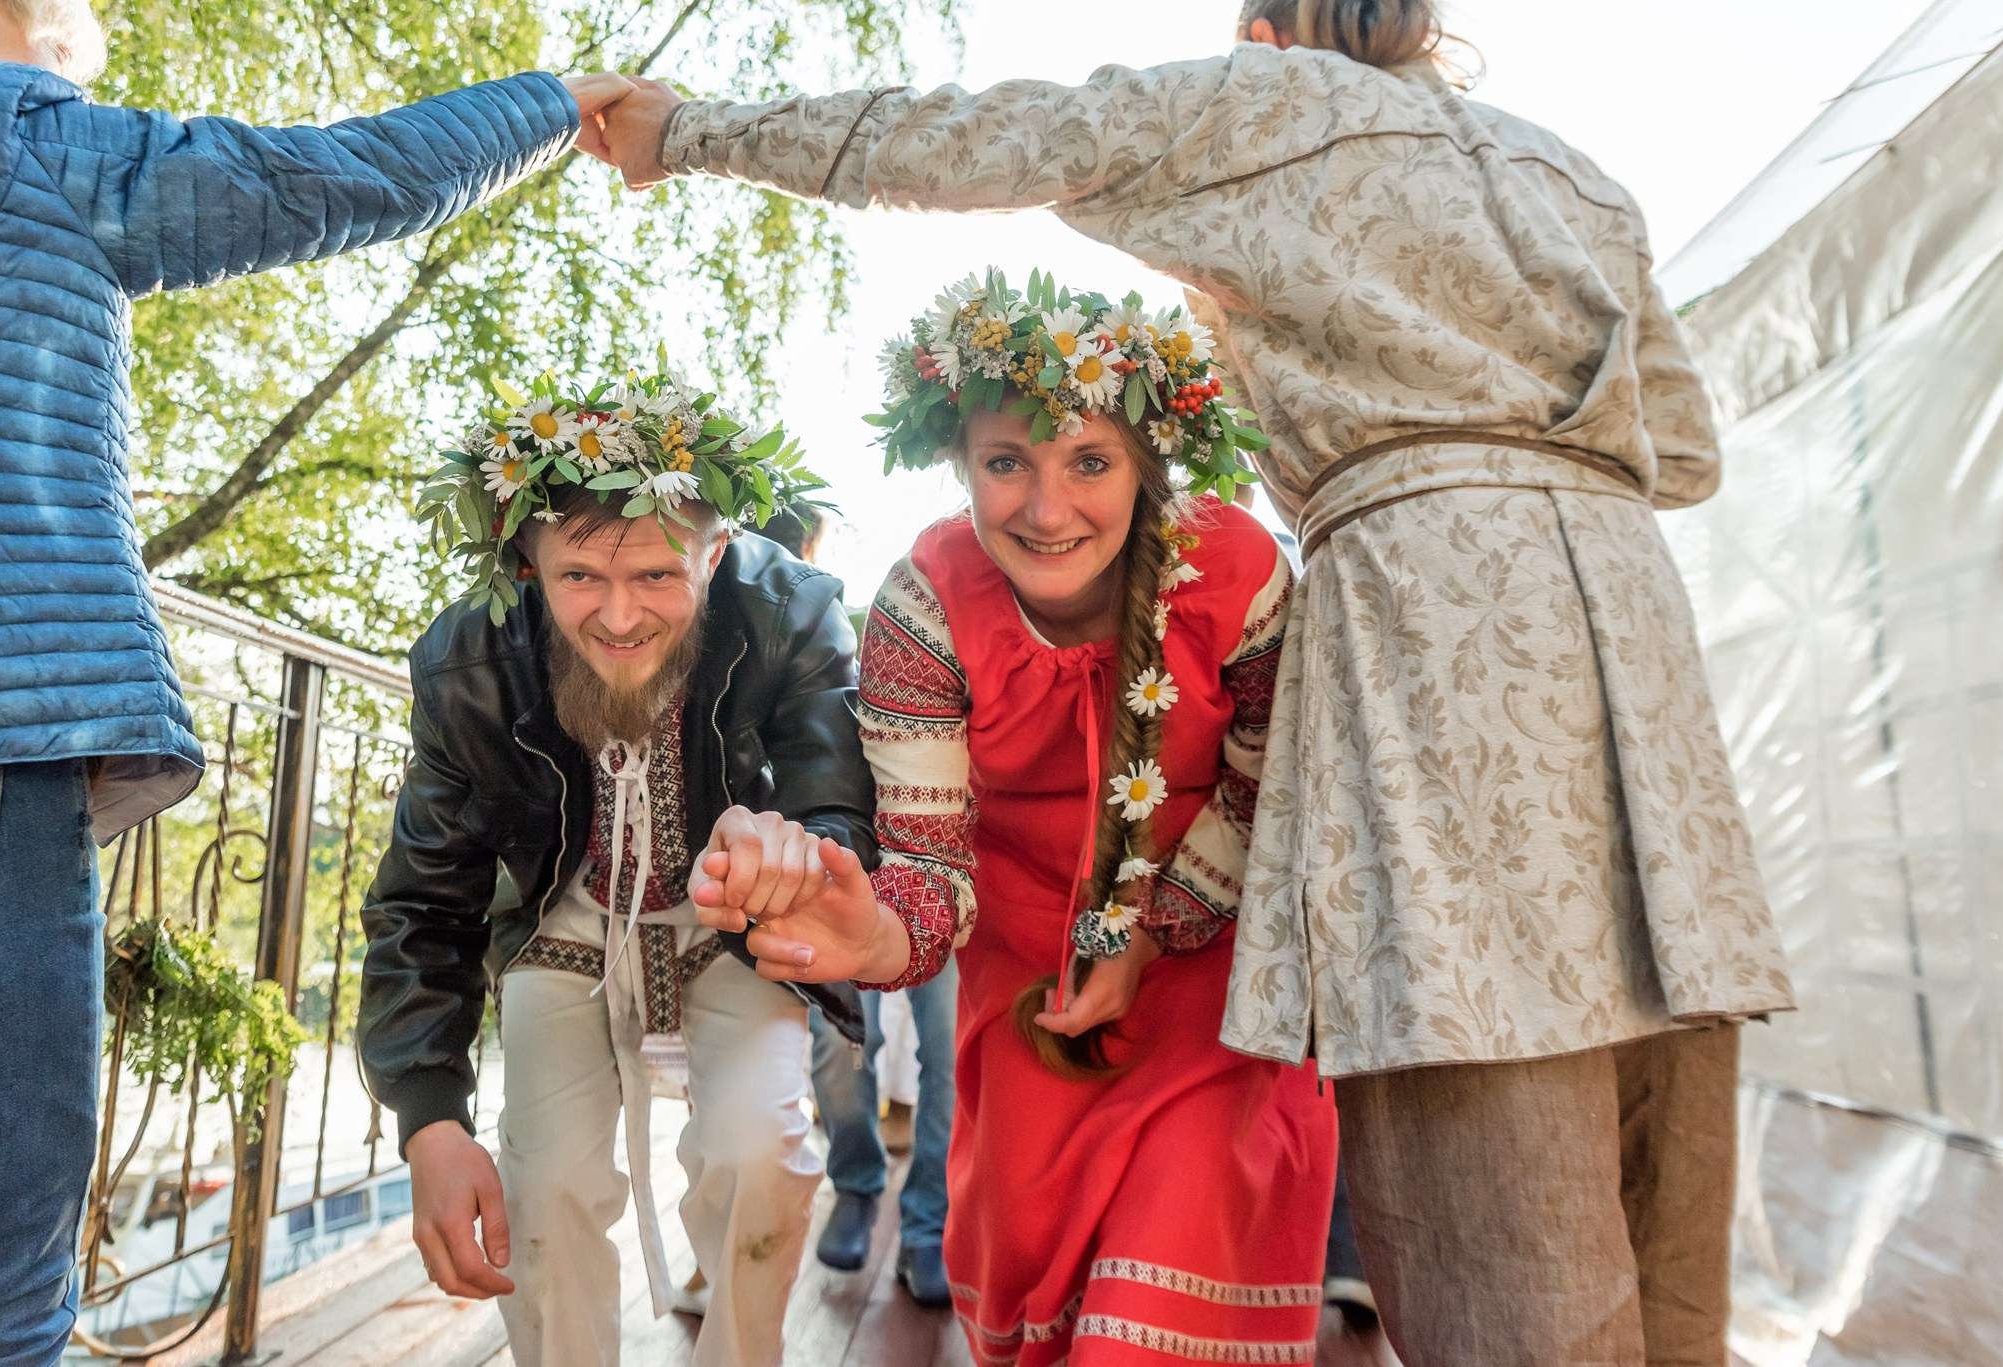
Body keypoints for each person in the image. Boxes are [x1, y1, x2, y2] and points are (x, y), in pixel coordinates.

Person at [599, 3, 1800, 1363]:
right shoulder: (1570, 174)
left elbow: (990, 136)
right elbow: (1686, 451)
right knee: (1664, 1213)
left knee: (1501, 1227)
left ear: (1270, 30)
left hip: (1435, 640)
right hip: (1638, 649)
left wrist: (686, 132)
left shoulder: (1271, 108)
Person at [0, 0, 638, 1357]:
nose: (70, 70)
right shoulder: (17, 134)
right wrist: (557, 102)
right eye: (65, 46)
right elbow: (322, 181)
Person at [694, 272, 1338, 1364]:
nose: (1046, 511)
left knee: (1150, 1325)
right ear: (959, 463)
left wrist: (1153, 929)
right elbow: (928, 860)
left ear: (1146, 463)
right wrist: (879, 937)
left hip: (1214, 978)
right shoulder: (922, 603)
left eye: (1089, 461)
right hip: (1025, 982)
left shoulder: (1238, 572)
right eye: (1007, 464)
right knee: (1037, 1302)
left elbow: (1268, 784)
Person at [355, 364, 869, 1367]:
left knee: (763, 1157)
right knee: (542, 1189)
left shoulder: (791, 611)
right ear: (523, 563)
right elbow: (425, 894)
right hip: (562, 919)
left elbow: (838, 805)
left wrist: (800, 852)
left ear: (716, 553)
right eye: (580, 575)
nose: (619, 617)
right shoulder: (466, 661)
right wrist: (427, 1119)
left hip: (736, 920)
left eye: (656, 576)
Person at [756, 507, 959, 1304]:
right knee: (837, 1052)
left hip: (938, 875)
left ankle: (928, 1223)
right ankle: (858, 1180)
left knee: (949, 1056)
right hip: (840, 879)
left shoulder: (908, 618)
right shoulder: (791, 643)